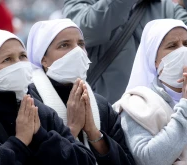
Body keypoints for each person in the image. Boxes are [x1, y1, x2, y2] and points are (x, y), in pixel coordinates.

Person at [26, 19, 135, 165]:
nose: (77, 51)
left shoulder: (100, 105)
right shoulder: (29, 103)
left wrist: (93, 132)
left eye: (81, 44)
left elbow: (126, 161)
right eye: (64, 45)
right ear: (43, 59)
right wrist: (72, 129)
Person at [63, 0, 187, 104]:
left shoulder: (166, 8)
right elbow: (86, 32)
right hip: (107, 116)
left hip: (162, 118)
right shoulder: (83, 3)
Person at [114, 19, 187, 165]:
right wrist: (186, 108)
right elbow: (149, 159)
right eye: (172, 46)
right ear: (154, 59)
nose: (182, 51)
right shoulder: (136, 103)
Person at [0, 29, 96, 165]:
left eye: (23, 56)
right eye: (7, 59)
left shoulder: (40, 110)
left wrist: (42, 137)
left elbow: (85, 160)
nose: (19, 65)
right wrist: (20, 141)